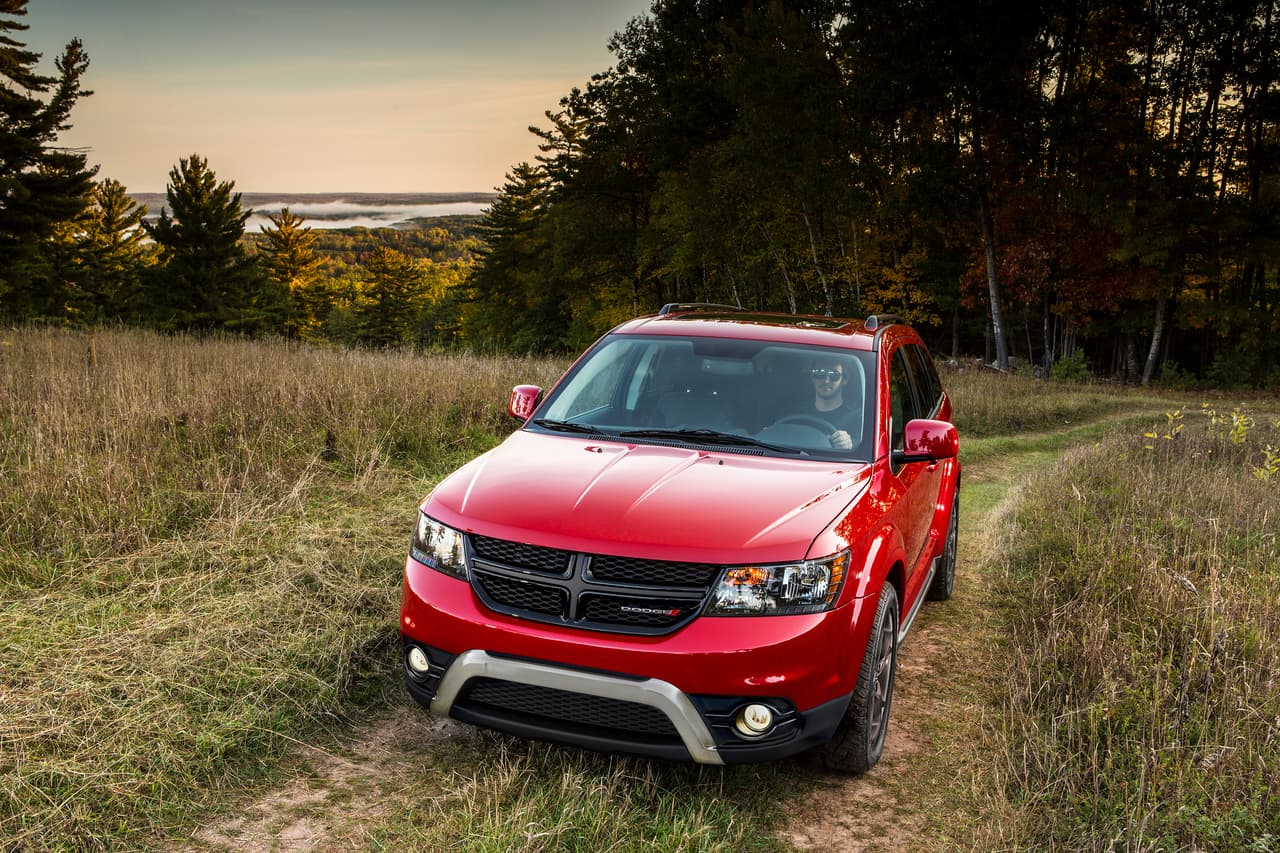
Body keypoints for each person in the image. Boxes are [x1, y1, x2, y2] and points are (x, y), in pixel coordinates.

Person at [808, 354, 860, 449]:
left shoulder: (858, 419)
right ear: (812, 376)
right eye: (819, 373)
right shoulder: (794, 412)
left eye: (833, 375)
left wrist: (849, 445)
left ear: (845, 379)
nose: (826, 381)